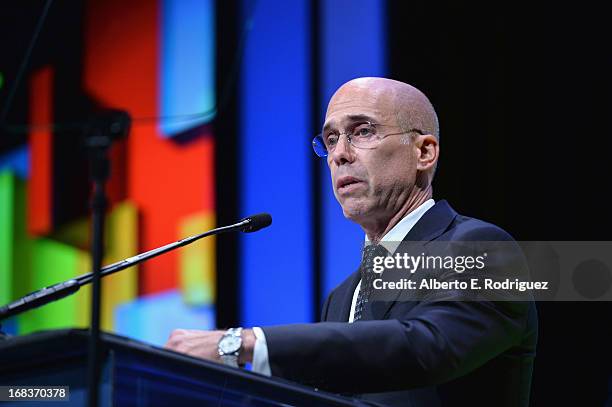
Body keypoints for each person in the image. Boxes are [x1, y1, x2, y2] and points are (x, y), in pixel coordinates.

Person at [165, 77, 538, 406]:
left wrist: (242, 343)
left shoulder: (482, 248)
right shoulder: (343, 296)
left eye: (362, 131)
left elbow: (424, 347)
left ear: (423, 152)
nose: (340, 154)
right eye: (330, 139)